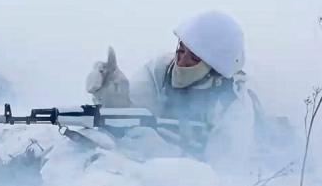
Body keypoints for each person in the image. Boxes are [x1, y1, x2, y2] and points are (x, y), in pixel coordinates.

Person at [85, 10, 269, 161]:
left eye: (194, 59)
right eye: (180, 51)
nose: (181, 62)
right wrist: (114, 98)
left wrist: (168, 156)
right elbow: (133, 115)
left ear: (214, 68)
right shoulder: (160, 70)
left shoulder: (232, 106)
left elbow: (224, 175)